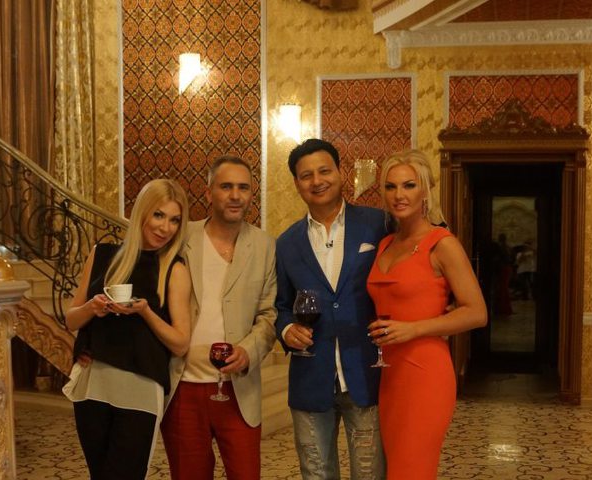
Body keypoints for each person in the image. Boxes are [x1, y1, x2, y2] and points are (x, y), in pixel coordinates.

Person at [366, 149, 487, 479]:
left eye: (409, 185)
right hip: (390, 374)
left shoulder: (442, 243)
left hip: (425, 372)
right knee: (398, 469)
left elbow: (477, 312)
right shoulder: (385, 244)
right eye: (391, 187)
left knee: (411, 470)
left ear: (425, 191)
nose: (399, 195)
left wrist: (413, 329)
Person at [63, 179, 192, 480]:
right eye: (158, 215)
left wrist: (145, 312)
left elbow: (180, 343)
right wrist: (92, 308)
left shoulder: (173, 268)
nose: (166, 228)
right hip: (94, 383)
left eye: (174, 220)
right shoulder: (102, 255)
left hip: (140, 387)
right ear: (142, 213)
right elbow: (71, 320)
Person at [275, 138, 387, 479]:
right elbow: (281, 305)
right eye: (306, 175)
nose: (317, 180)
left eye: (324, 171)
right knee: (316, 473)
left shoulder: (378, 224)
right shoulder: (286, 242)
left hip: (367, 372)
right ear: (297, 183)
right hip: (310, 376)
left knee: (370, 473)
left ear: (340, 172)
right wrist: (286, 328)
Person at [160, 156, 277, 480]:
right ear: (209, 192)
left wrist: (248, 351)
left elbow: (269, 314)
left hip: (238, 389)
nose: (235, 195)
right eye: (226, 187)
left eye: (243, 188)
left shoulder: (265, 246)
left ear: (251, 193)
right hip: (182, 387)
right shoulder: (181, 237)